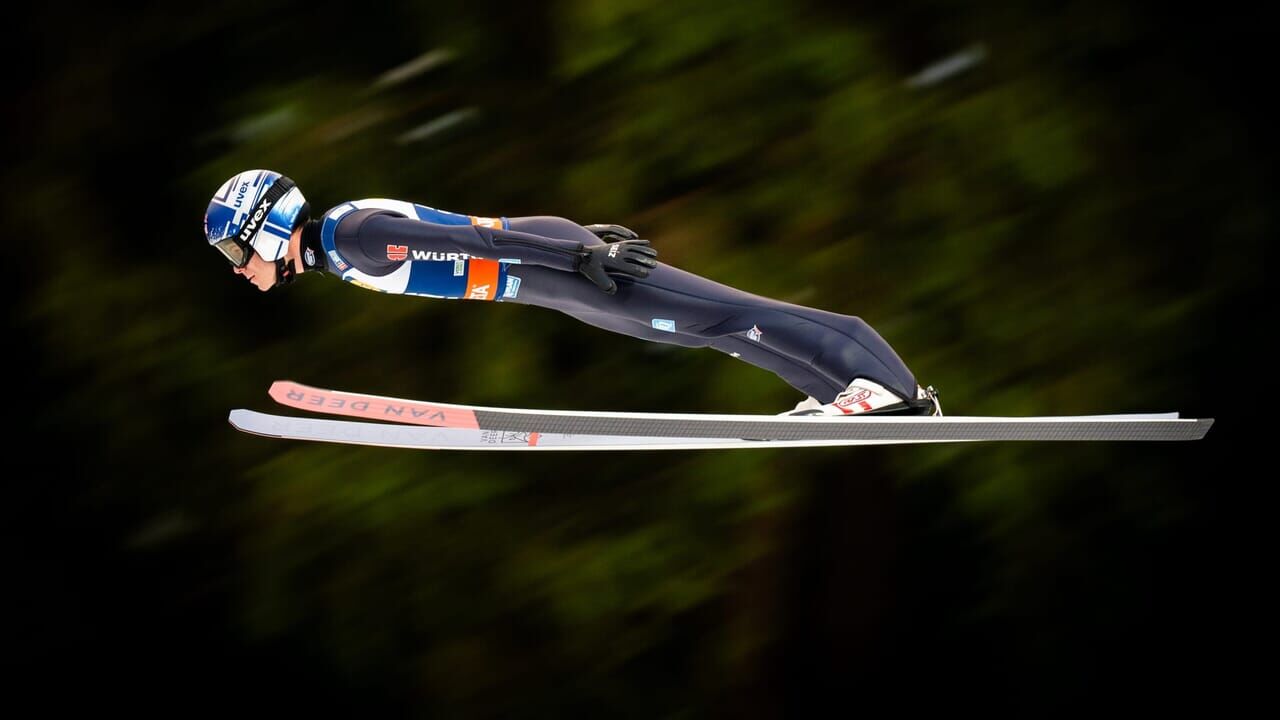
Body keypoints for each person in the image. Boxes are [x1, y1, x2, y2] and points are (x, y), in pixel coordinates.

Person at [203, 169, 940, 416]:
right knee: (703, 330)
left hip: (557, 269)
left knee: (725, 312)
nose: (238, 267)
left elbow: (476, 242)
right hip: (549, 281)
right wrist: (571, 250)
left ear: (266, 228)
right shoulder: (335, 251)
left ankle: (892, 388)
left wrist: (585, 252)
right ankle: (836, 392)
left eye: (236, 250)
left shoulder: (352, 237)